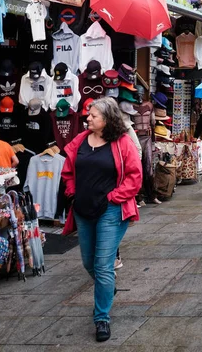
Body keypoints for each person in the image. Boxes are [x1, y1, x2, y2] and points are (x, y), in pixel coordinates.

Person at [61, 97, 142, 343]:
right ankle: (107, 288)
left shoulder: (122, 143)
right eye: (89, 114)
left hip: (111, 211)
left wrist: (114, 197)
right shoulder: (80, 140)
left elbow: (134, 176)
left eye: (93, 115)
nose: (88, 118)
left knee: (103, 265)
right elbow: (68, 170)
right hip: (83, 211)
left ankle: (102, 318)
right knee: (88, 262)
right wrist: (72, 190)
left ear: (107, 119)